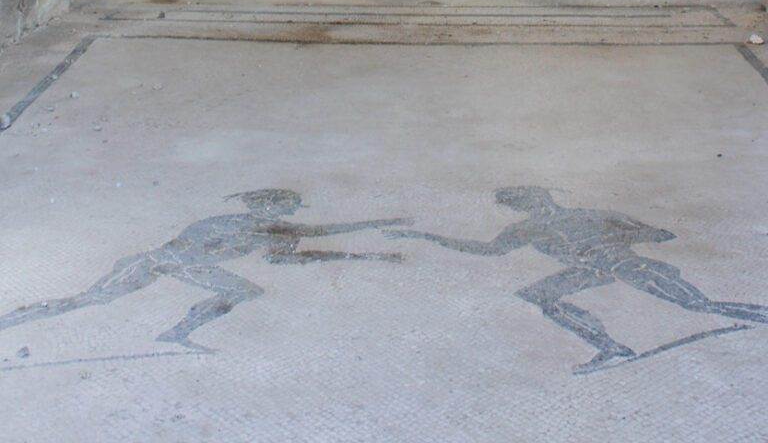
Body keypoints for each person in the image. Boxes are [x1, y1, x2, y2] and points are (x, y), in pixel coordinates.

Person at [388, 186, 768, 372]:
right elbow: (488, 250)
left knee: (697, 305)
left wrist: (615, 238)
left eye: (528, 203)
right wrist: (428, 236)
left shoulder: (588, 215)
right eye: (523, 206)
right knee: (540, 294)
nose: (530, 210)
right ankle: (611, 348)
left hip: (620, 262)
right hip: (591, 269)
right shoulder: (528, 229)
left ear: (544, 199)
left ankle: (760, 314)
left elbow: (657, 234)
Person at [0, 189, 410, 353]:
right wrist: (372, 233)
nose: (286, 215)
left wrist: (365, 251)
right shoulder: (231, 222)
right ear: (266, 208)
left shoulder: (271, 232)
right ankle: (13, 319)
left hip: (186, 267)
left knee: (245, 291)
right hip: (155, 263)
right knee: (91, 299)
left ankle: (176, 333)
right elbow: (178, 251)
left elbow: (286, 255)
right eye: (283, 208)